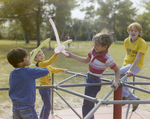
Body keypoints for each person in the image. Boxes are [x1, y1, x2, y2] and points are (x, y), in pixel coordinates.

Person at [65, 29, 120, 119]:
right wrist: (72, 56)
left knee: (87, 105)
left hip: (94, 82)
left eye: (97, 45)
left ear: (105, 47)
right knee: (88, 103)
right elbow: (86, 60)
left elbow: (117, 70)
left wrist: (116, 81)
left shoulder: (107, 58)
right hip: (88, 78)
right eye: (94, 44)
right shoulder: (94, 50)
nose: (94, 47)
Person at [7, 48, 49, 119]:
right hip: (27, 107)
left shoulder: (12, 73)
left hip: (15, 107)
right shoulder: (29, 71)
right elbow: (46, 71)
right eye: (26, 57)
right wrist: (35, 67)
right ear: (20, 62)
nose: (29, 57)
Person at [30, 49, 67, 119]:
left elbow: (53, 69)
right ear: (35, 58)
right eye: (39, 55)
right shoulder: (40, 64)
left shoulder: (47, 65)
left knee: (46, 105)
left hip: (48, 88)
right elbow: (49, 62)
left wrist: (62, 70)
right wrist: (55, 55)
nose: (42, 56)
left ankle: (41, 117)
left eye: (42, 54)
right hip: (43, 89)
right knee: (48, 106)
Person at [121, 22, 148, 112]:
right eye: (131, 30)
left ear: (139, 32)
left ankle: (125, 96)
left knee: (119, 74)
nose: (133, 32)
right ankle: (134, 99)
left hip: (136, 66)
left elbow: (137, 58)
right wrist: (125, 66)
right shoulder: (126, 41)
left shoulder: (142, 43)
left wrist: (130, 70)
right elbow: (128, 55)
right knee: (120, 78)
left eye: (136, 31)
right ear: (129, 31)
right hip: (126, 64)